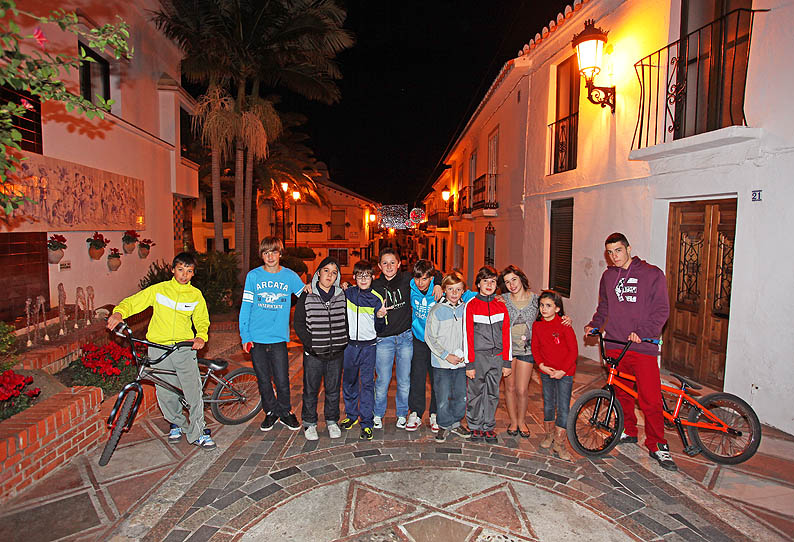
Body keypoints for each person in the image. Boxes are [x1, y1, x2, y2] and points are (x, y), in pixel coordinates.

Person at [585, 232, 676, 471]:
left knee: (650, 398)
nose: (614, 256)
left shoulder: (652, 274)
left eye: (618, 250)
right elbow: (604, 305)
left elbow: (661, 309)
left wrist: (645, 331)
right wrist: (595, 324)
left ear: (628, 249)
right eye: (610, 252)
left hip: (641, 345)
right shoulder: (607, 277)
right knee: (621, 393)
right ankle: (628, 430)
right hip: (615, 343)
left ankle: (658, 444)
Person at [106, 252, 215, 448]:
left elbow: (201, 320)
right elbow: (133, 302)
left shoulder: (195, 295)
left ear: (193, 274)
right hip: (157, 347)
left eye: (189, 271)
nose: (184, 274)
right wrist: (119, 313)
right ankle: (178, 424)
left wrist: (201, 336)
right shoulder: (159, 290)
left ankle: (198, 432)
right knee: (165, 392)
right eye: (180, 269)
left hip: (183, 347)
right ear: (173, 270)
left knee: (193, 391)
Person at [239, 237, 305, 432]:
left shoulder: (290, 277)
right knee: (263, 379)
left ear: (280, 254)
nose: (270, 256)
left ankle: (285, 412)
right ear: (261, 255)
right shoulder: (253, 276)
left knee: (282, 378)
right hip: (256, 337)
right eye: (266, 252)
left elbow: (306, 298)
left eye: (274, 252)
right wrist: (245, 336)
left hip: (278, 338)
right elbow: (246, 307)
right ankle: (271, 411)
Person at [371, 248, 441, 429]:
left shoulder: (408, 280)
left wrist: (439, 283)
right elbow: (359, 289)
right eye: (384, 263)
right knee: (382, 380)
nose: (388, 266)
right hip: (384, 339)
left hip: (405, 338)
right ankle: (377, 413)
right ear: (379, 266)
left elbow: (433, 273)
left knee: (405, 380)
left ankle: (403, 414)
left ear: (399, 264)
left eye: (392, 262)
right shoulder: (374, 286)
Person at [294, 257, 349, 441]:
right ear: (318, 273)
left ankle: (332, 421)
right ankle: (309, 423)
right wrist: (311, 344)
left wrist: (344, 340)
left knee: (333, 389)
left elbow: (347, 319)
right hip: (314, 354)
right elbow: (299, 324)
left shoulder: (342, 294)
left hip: (336, 353)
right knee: (311, 389)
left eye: (334, 272)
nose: (329, 275)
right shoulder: (307, 294)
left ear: (337, 277)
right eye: (326, 270)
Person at [339, 260, 386, 440]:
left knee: (367, 384)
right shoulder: (348, 293)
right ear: (354, 277)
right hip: (350, 346)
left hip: (369, 347)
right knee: (349, 382)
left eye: (367, 275)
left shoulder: (376, 298)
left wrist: (380, 317)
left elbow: (380, 328)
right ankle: (351, 416)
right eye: (360, 276)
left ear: (373, 277)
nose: (363, 279)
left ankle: (367, 422)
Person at [464, 265, 512, 444]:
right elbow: (467, 335)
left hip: (497, 357)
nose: (489, 285)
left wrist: (507, 362)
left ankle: (488, 425)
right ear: (478, 284)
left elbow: (506, 334)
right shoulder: (472, 306)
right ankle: (475, 425)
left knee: (493, 393)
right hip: (478, 357)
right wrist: (469, 364)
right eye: (485, 281)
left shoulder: (501, 306)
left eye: (493, 281)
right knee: (475, 392)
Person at [425, 271, 472, 442]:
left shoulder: (466, 310)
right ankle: (444, 424)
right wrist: (446, 355)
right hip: (441, 363)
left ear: (463, 292)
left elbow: (469, 334)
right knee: (443, 395)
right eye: (450, 289)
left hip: (460, 363)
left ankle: (456, 422)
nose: (454, 293)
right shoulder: (437, 310)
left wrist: (465, 354)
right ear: (444, 289)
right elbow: (429, 337)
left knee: (461, 395)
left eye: (458, 290)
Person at [406, 259, 451, 432]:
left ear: (431, 278)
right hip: (418, 339)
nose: (420, 283)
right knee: (417, 377)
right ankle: (416, 412)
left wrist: (439, 282)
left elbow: (461, 291)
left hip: (437, 342)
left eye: (425, 279)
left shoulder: (439, 287)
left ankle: (435, 412)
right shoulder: (411, 286)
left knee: (437, 379)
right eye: (418, 279)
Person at [532, 290, 578, 461]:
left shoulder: (564, 325)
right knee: (549, 404)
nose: (544, 309)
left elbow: (573, 351)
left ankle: (560, 442)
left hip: (564, 373)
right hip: (546, 371)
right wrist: (542, 365)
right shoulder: (537, 325)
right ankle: (549, 434)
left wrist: (563, 371)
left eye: (548, 306)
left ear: (557, 309)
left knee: (563, 407)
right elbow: (535, 348)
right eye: (542, 305)